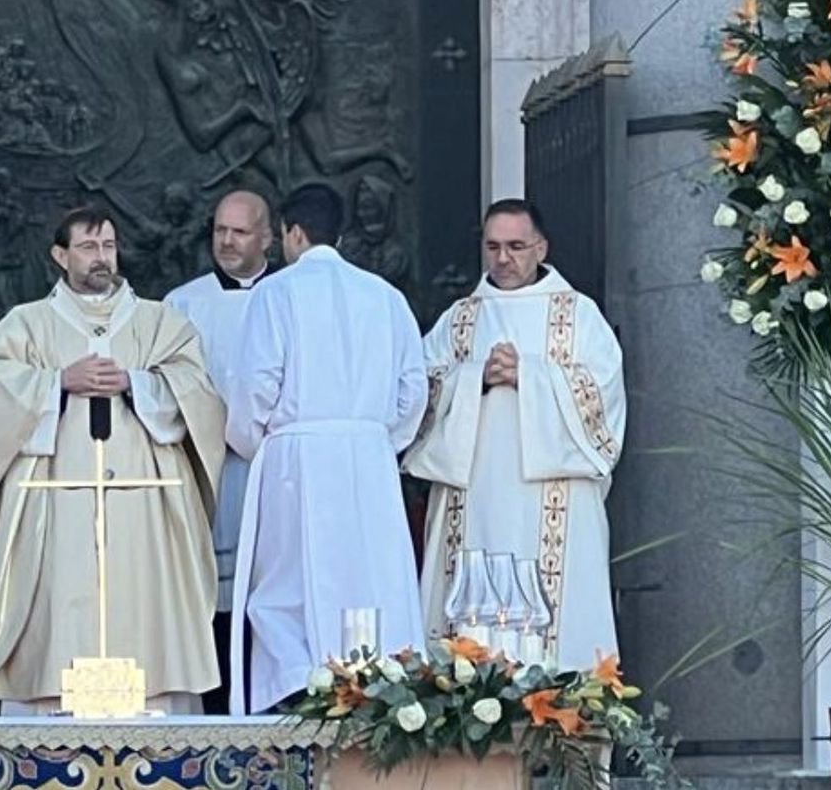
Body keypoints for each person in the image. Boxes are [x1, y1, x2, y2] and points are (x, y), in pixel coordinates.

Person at [0, 206, 226, 714]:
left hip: (143, 507)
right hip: (57, 501)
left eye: (109, 247)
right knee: (60, 610)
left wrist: (137, 383)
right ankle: (49, 706)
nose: (101, 258)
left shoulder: (159, 323)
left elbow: (198, 395)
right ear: (60, 255)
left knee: (143, 611)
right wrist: (56, 384)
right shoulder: (26, 325)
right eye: (89, 247)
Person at [225, 183, 427, 714]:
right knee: (370, 573)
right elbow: (413, 389)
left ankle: (298, 692)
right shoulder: (386, 297)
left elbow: (254, 387)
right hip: (368, 458)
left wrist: (255, 443)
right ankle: (381, 693)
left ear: (293, 233)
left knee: (291, 581)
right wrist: (381, 442)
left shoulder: (277, 293)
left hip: (297, 459)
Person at [404, 199, 623, 669]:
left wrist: (531, 376)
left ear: (540, 248)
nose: (504, 258)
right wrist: (474, 379)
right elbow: (418, 391)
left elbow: (602, 395)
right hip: (475, 496)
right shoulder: (460, 318)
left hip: (555, 495)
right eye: (493, 247)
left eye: (517, 246)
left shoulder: (577, 315)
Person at [162, 190, 275, 714]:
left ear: (267, 237)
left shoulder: (290, 295)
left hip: (276, 471)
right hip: (208, 469)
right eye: (219, 232)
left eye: (239, 232)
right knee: (214, 597)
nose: (226, 242)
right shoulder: (182, 304)